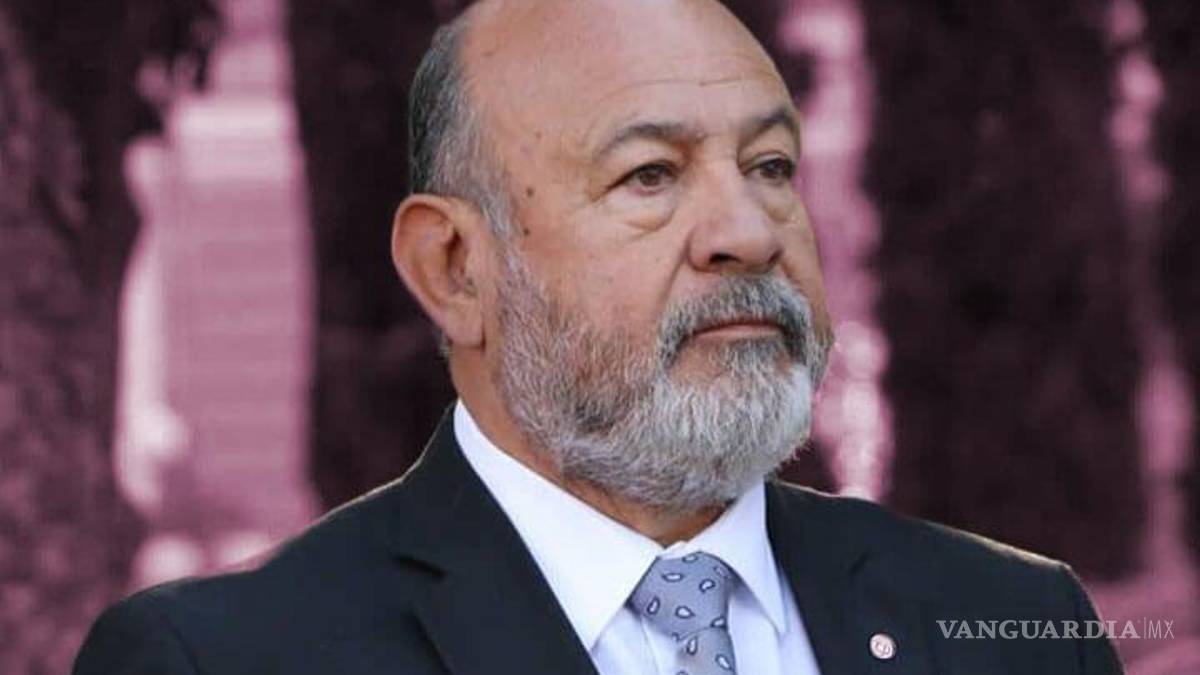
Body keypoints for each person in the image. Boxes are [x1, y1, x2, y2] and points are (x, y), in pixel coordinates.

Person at [74, 1, 1123, 673]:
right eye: (649, 175)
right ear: (455, 268)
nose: (750, 233)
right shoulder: (223, 660)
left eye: (770, 166)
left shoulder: (1019, 627)